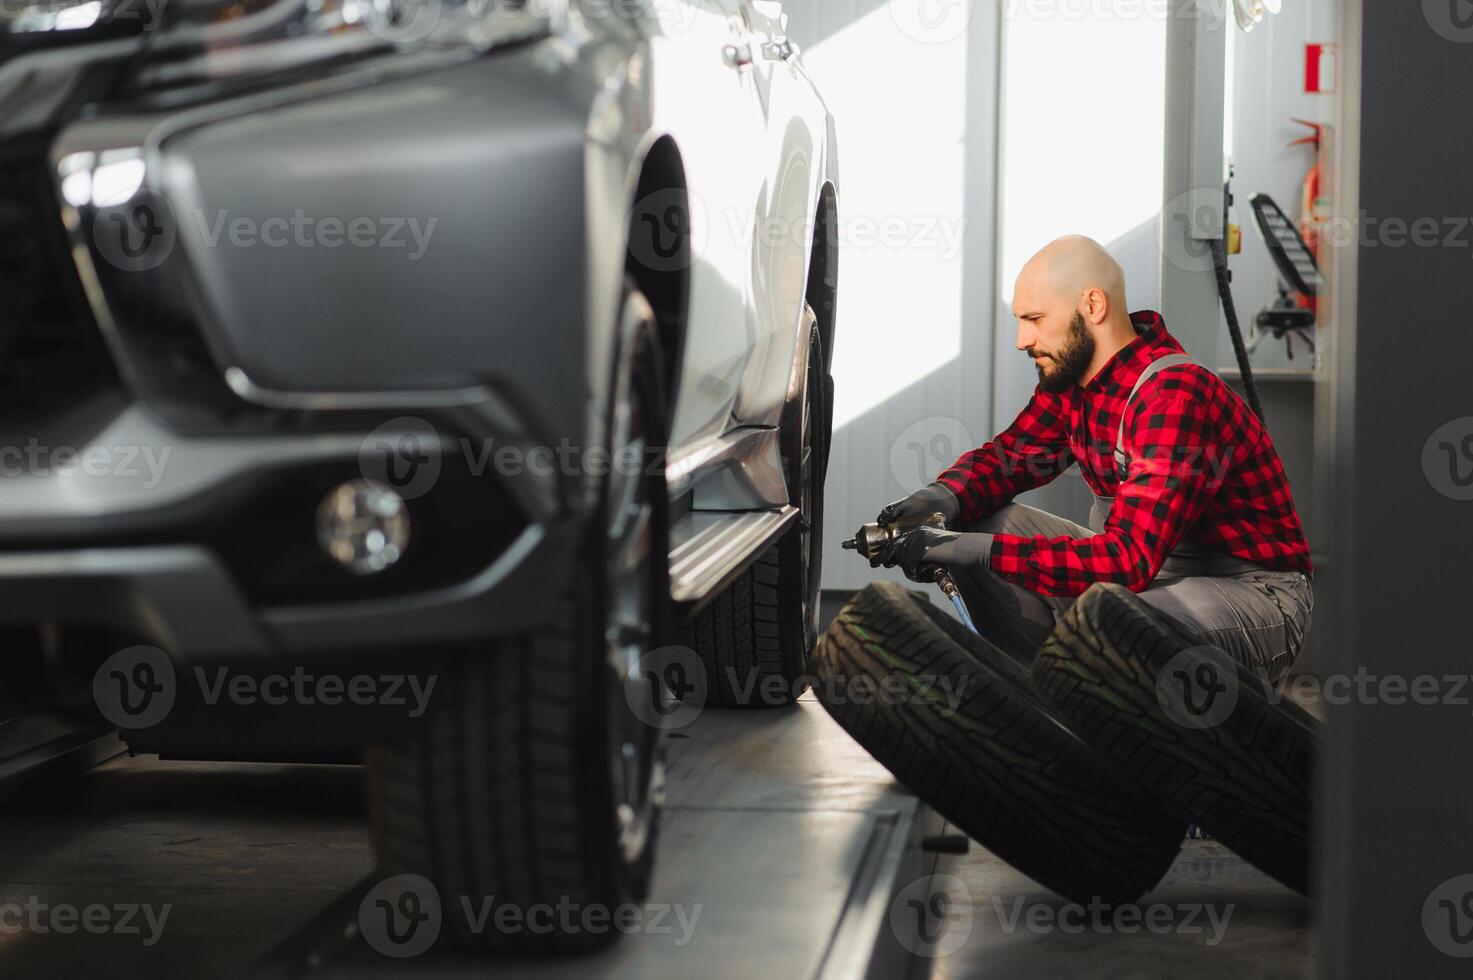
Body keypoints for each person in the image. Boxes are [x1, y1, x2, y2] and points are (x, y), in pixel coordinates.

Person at [873, 236, 1314, 683]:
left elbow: (1128, 561)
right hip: (1146, 584)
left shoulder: (1172, 396)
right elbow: (1010, 458)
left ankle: (1094, 692)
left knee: (1119, 622)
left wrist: (958, 548)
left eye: (1034, 319)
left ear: (1093, 306)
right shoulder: (1073, 386)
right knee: (980, 519)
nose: (1022, 339)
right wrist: (940, 499)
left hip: (1253, 595)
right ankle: (1048, 699)